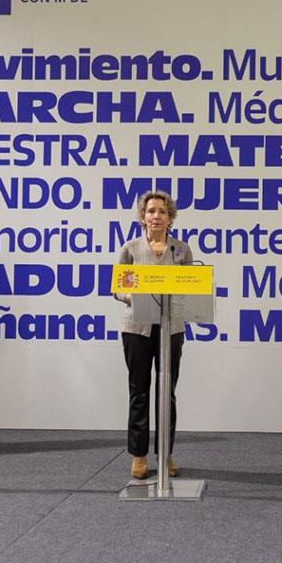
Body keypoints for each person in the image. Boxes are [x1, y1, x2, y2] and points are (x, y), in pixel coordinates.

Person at [114, 190, 194, 480]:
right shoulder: (131, 249)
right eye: (150, 211)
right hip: (137, 327)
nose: (156, 216)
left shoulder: (181, 250)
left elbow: (190, 288)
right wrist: (132, 296)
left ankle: (166, 453)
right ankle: (139, 455)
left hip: (171, 328)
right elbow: (118, 288)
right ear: (143, 217)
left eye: (161, 211)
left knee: (166, 392)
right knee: (139, 391)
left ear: (170, 217)